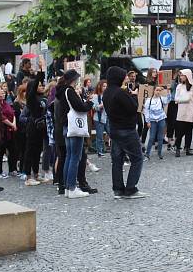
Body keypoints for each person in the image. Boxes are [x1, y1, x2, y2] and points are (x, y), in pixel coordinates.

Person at [103, 66, 146, 199]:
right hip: (126, 129)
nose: (126, 78)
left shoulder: (107, 92)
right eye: (124, 76)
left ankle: (118, 189)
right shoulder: (120, 92)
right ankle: (131, 189)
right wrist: (134, 96)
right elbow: (133, 108)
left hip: (114, 128)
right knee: (137, 158)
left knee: (117, 160)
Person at [57, 69, 94, 199]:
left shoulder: (62, 91)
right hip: (74, 126)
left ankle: (68, 187)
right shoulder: (70, 91)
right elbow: (80, 107)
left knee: (69, 156)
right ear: (74, 79)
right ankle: (72, 187)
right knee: (75, 157)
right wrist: (89, 102)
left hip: (67, 126)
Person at [23, 59, 47, 186]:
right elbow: (36, 82)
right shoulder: (31, 97)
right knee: (30, 150)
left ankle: (36, 173)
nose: (42, 86)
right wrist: (40, 71)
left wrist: (42, 73)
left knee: (38, 150)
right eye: (39, 85)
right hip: (33, 124)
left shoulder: (42, 97)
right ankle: (27, 176)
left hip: (41, 125)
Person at [173, 69, 193, 157]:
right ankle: (177, 148)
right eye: (180, 76)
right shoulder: (179, 87)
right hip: (181, 112)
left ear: (187, 76)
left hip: (191, 112)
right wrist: (185, 99)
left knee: (189, 131)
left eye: (182, 75)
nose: (181, 77)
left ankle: (187, 148)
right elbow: (176, 99)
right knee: (180, 132)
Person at [144, 85, 169, 161]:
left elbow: (168, 100)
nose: (158, 92)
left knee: (160, 137)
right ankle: (147, 154)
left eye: (159, 90)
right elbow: (146, 111)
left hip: (161, 119)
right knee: (151, 137)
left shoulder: (162, 99)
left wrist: (167, 91)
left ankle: (160, 153)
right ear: (153, 91)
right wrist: (147, 121)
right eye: (157, 90)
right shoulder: (149, 100)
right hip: (152, 120)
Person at [93, 80, 109, 158]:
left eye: (106, 86)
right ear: (100, 87)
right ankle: (100, 151)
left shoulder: (108, 95)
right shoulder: (96, 96)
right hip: (98, 118)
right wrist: (102, 105)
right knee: (99, 136)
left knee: (111, 133)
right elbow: (94, 108)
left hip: (107, 117)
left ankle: (108, 149)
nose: (105, 88)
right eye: (104, 86)